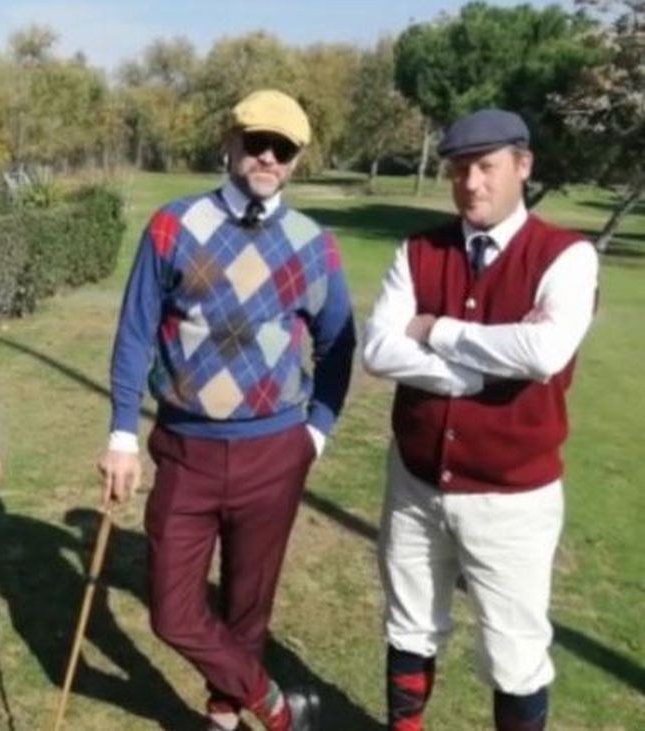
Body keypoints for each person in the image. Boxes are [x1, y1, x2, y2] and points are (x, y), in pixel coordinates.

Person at [99, 89, 355, 731]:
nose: (268, 157)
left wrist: (316, 434)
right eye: (256, 143)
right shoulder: (173, 226)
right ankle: (271, 705)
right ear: (230, 142)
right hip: (186, 447)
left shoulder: (314, 244)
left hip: (276, 450)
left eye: (284, 149)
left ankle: (224, 714)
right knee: (173, 611)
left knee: (249, 605)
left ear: (296, 161)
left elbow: (338, 344)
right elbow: (134, 333)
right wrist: (123, 434)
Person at [363, 109, 598, 731]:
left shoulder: (566, 256)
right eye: (460, 168)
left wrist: (436, 329)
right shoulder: (419, 250)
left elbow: (543, 353)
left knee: (513, 654)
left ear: (523, 167)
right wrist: (467, 373)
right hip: (415, 482)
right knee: (409, 626)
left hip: (511, 496)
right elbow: (379, 348)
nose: (471, 183)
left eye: (486, 167)